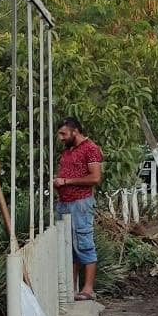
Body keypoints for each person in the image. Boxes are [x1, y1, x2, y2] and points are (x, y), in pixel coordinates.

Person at [53, 115, 103, 302]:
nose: (61, 138)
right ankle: (70, 287)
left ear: (75, 131)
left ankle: (88, 288)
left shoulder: (90, 149)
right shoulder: (68, 150)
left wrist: (67, 181)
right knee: (67, 245)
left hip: (80, 202)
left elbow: (95, 178)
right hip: (64, 201)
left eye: (64, 134)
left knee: (84, 242)